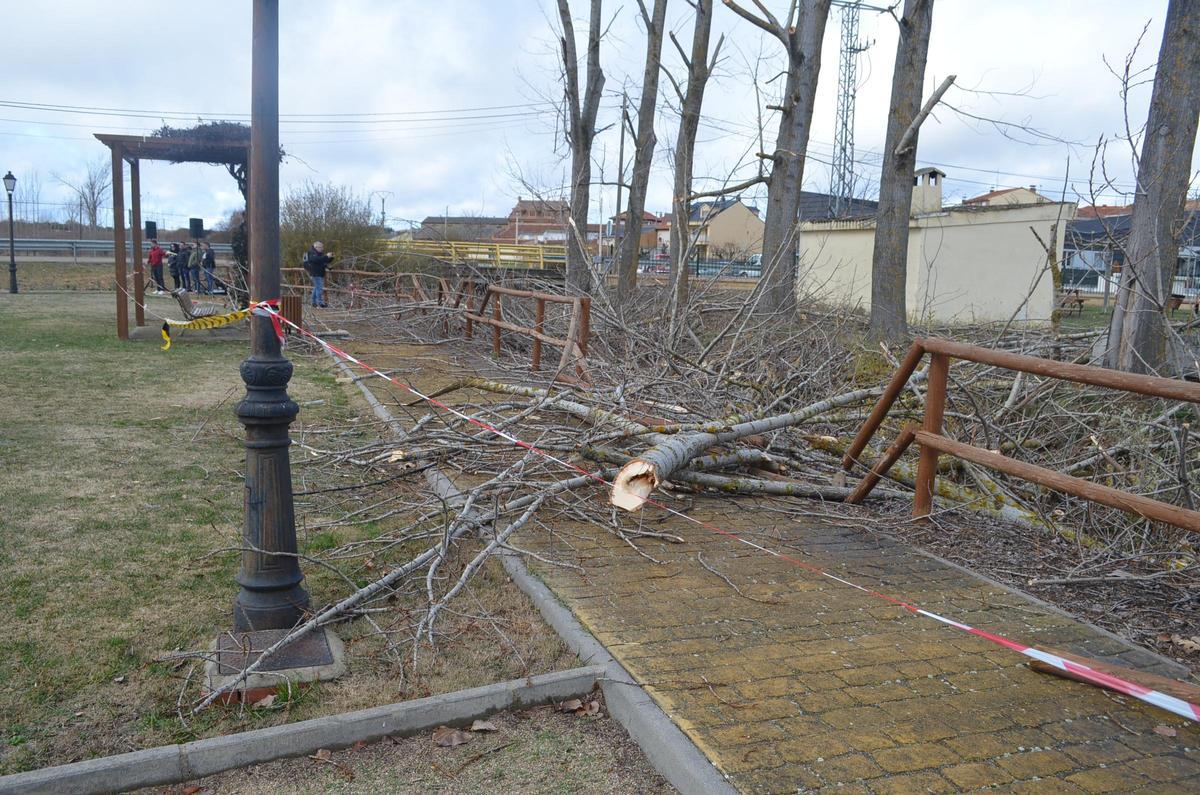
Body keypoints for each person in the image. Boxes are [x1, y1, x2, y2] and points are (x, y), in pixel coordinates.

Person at [303, 241, 333, 307]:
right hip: (315, 273)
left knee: (316, 288)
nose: (322, 248)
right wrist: (326, 256)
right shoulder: (311, 252)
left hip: (319, 273)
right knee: (319, 288)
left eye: (322, 247)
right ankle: (320, 303)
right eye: (321, 247)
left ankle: (314, 302)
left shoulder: (319, 253)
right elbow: (316, 260)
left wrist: (330, 257)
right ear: (316, 247)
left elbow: (323, 260)